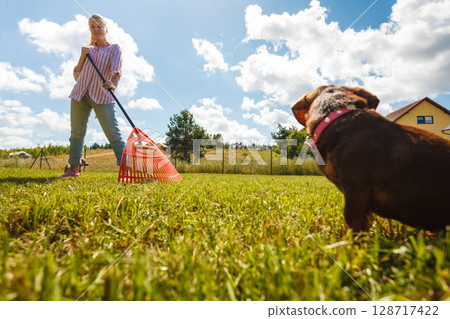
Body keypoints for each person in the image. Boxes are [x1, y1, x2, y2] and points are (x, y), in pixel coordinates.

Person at [59, 13, 125, 178]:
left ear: (106, 28)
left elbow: (117, 71)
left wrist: (113, 85)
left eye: (99, 26)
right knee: (76, 133)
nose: (96, 29)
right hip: (80, 93)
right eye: (92, 27)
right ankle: (74, 170)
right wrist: (83, 55)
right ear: (90, 30)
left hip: (102, 95)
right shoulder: (88, 50)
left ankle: (127, 170)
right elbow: (76, 74)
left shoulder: (114, 48)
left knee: (113, 133)